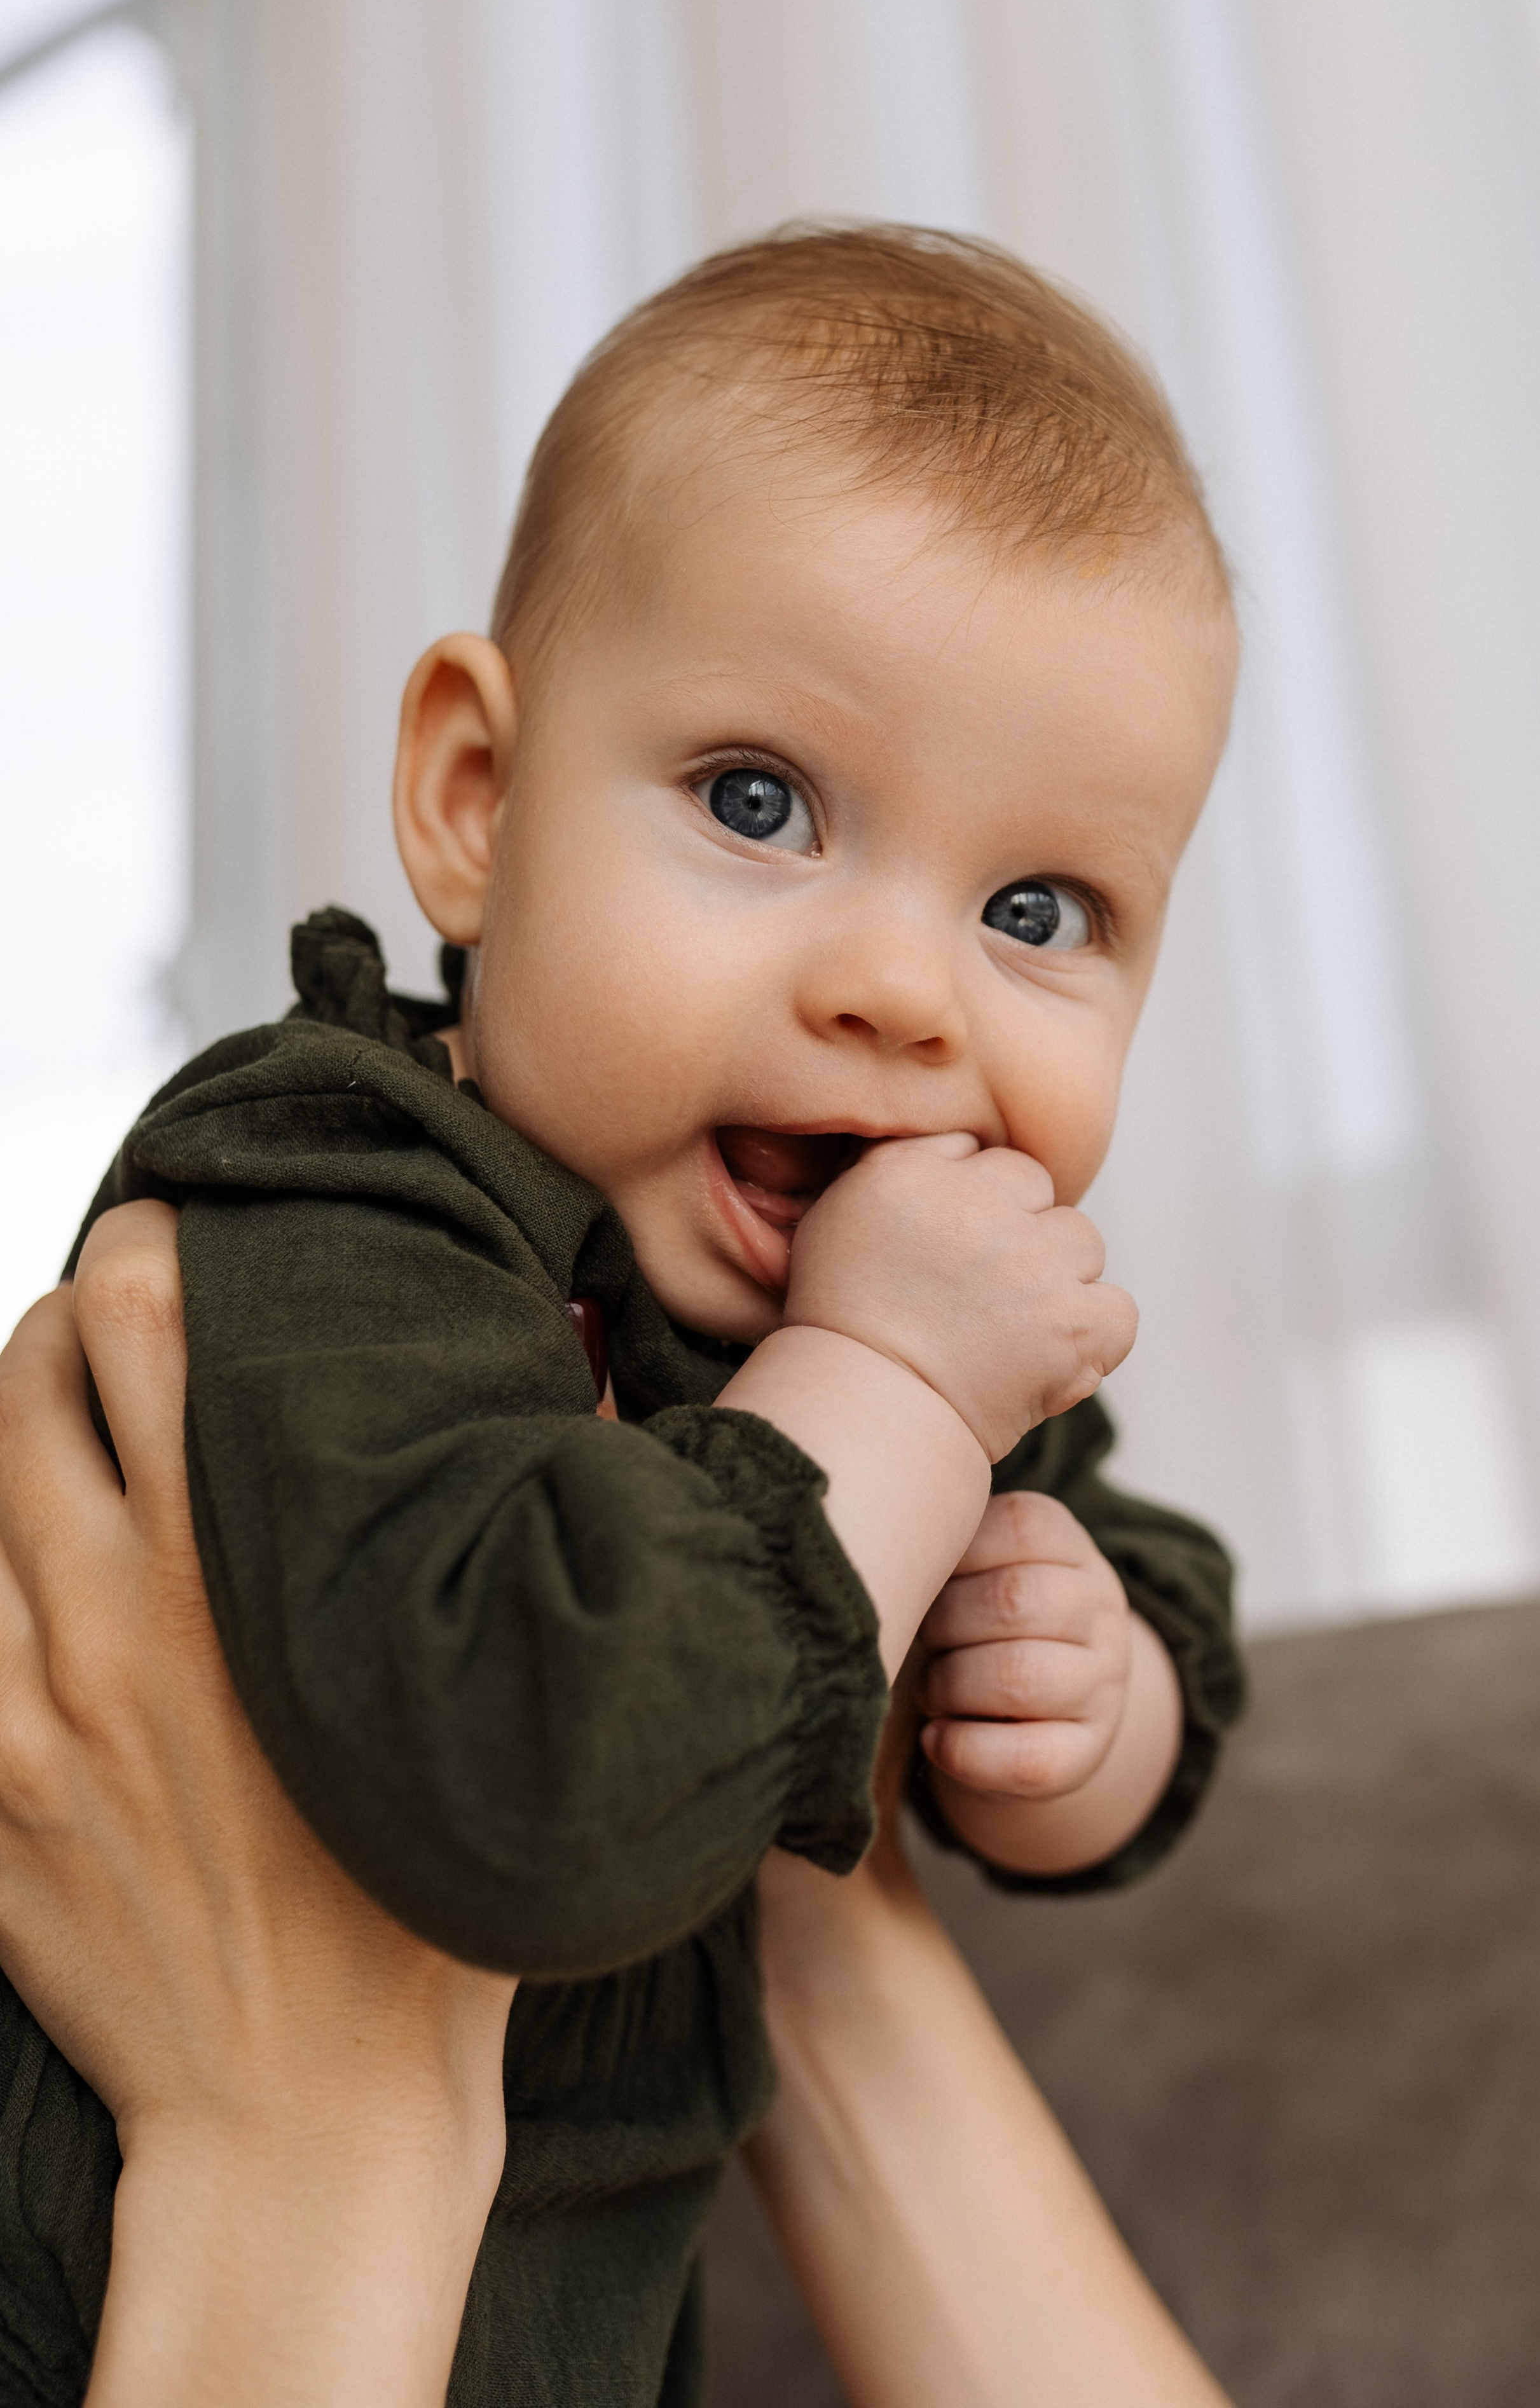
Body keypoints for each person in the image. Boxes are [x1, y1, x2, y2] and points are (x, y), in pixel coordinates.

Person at [24, 224, 1244, 2401]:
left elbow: (1118, 1583)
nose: (900, 988)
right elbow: (540, 1790)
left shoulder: (904, 1316)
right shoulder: (335, 1191)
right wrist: (877, 1400)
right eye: (760, 804)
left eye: (1038, 910)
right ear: (474, 805)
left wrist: (1090, 1696)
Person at [0, 1208, 1232, 2406]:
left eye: (1059, 978)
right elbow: (577, 1783)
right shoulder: (380, 1196)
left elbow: (1123, 1707)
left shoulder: (919, 1244)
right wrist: (878, 1399)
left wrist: (1065, 1686)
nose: (910, 1002)